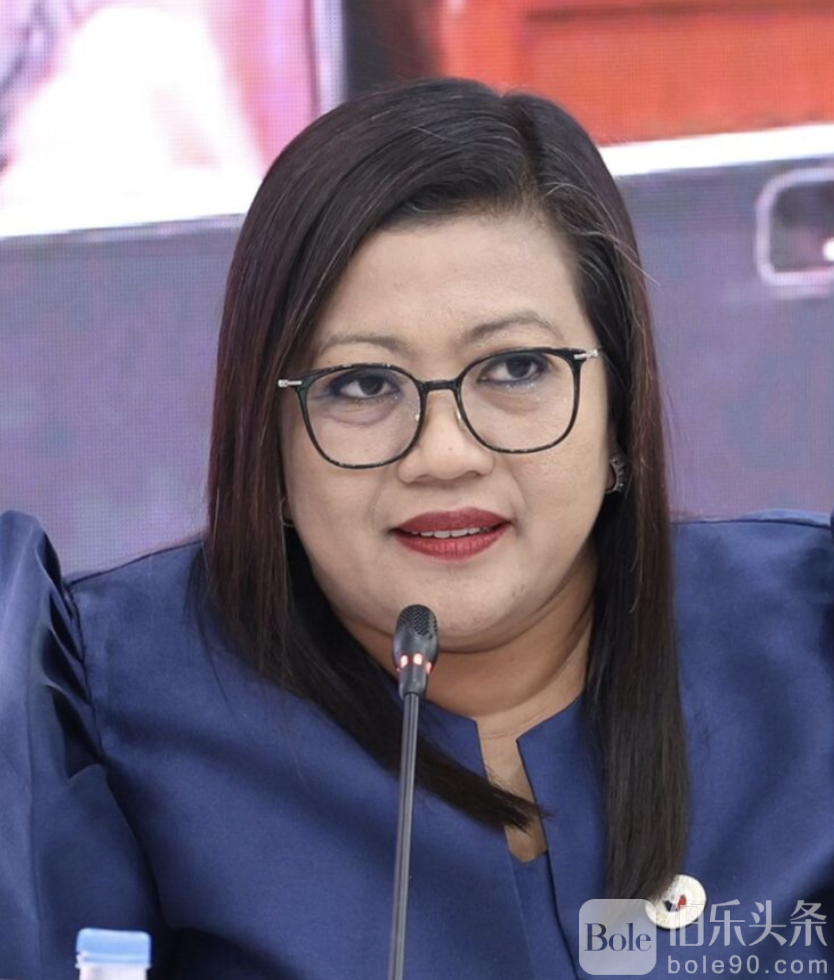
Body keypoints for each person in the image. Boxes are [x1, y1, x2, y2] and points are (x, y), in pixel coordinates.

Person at [1, 76, 832, 980]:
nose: (444, 454)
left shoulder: (811, 641)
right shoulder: (93, 706)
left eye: (516, 368)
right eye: (362, 385)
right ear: (266, 439)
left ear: (618, 410)